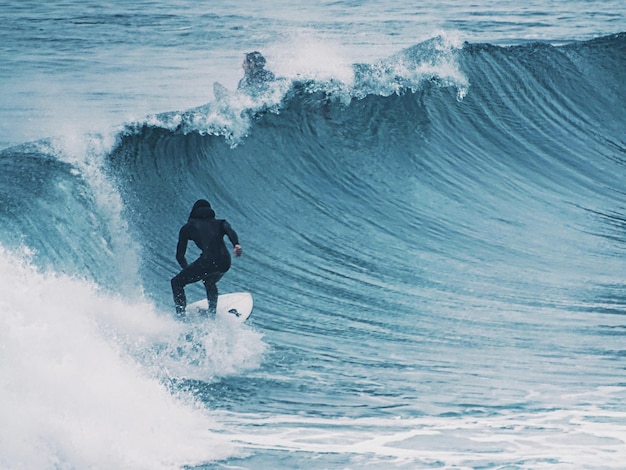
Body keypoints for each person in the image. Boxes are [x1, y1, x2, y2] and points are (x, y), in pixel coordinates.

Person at [171, 199, 242, 316]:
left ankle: (181, 317)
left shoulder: (187, 228)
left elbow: (180, 255)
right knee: (209, 281)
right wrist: (236, 244)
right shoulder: (220, 223)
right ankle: (212, 313)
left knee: (176, 283)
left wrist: (187, 269)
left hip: (208, 261)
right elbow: (230, 231)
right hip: (225, 261)